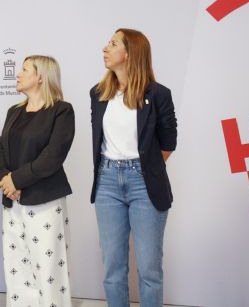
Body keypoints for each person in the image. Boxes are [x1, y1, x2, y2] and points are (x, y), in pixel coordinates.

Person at [90, 28, 177, 307]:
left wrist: (144, 169)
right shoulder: (98, 93)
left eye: (113, 43)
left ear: (129, 54)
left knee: (149, 269)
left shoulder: (158, 94)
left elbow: (169, 143)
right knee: (113, 268)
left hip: (144, 183)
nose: (105, 48)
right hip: (106, 182)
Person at [0, 55, 75, 307]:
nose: (18, 74)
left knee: (48, 270)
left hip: (44, 201)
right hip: (12, 202)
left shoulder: (61, 111)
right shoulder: (14, 111)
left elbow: (52, 157)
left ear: (41, 77)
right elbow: (0, 151)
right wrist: (5, 181)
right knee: (17, 268)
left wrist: (16, 180)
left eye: (25, 69)